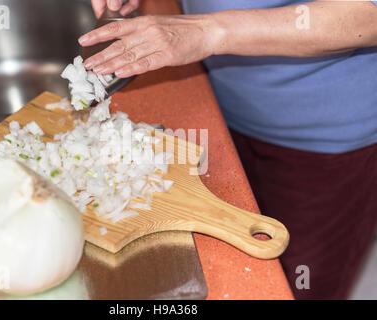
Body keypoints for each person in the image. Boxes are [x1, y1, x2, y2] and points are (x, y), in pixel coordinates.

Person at [81, 0, 377, 299]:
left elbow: (369, 16)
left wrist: (212, 32)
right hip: (222, 100)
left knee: (302, 282)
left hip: (324, 142)